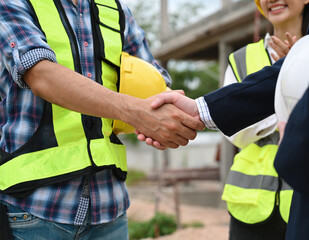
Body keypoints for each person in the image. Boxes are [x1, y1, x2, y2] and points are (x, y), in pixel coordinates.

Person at [137, 0, 309, 239]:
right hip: (251, 201)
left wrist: (297, 84)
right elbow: (238, 134)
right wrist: (200, 110)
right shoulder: (245, 57)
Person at [0, 0, 203, 239]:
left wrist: (175, 116)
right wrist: (138, 112)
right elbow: (41, 75)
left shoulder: (116, 12)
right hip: (33, 209)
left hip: (110, 208)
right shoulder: (13, 3)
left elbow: (154, 85)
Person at [221, 1, 309, 239]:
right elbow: (235, 131)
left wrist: (258, 105)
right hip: (249, 205)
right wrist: (290, 94)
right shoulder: (240, 59)